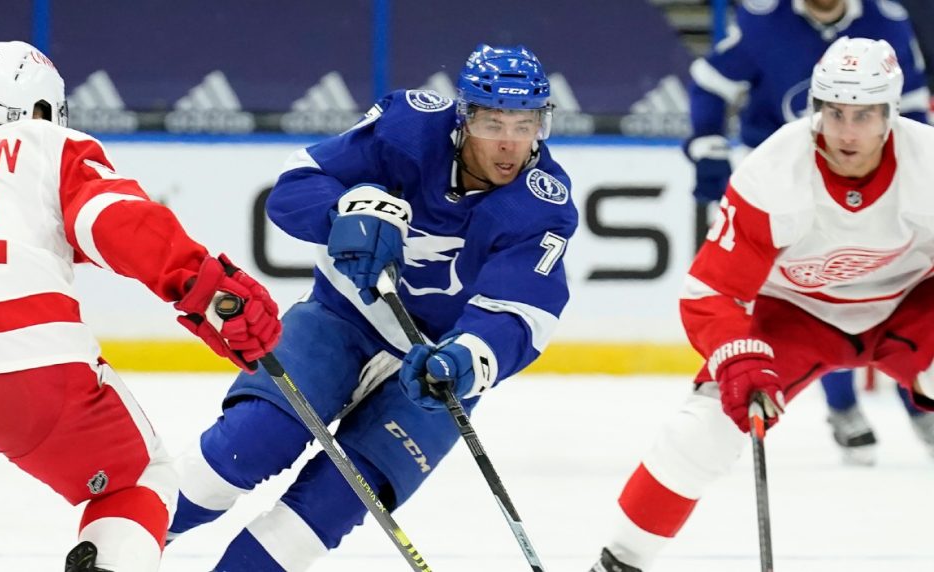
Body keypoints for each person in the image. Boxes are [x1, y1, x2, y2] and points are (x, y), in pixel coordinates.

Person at [167, 44, 576, 570]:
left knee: (327, 509)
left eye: (525, 126)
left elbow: (522, 312)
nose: (509, 145)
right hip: (341, 318)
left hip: (436, 366)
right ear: (463, 118)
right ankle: (117, 550)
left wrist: (465, 358)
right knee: (248, 445)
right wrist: (344, 211)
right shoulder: (409, 130)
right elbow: (294, 187)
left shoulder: (541, 203)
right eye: (494, 123)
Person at [0, 41, 281, 572]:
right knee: (141, 481)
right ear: (38, 106)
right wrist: (208, 291)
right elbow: (113, 223)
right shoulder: (50, 144)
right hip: (34, 361)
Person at [591, 37, 934, 572]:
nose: (846, 132)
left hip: (912, 308)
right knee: (701, 431)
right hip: (795, 317)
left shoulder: (928, 165)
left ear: (890, 112)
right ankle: (619, 563)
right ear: (815, 108)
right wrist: (737, 357)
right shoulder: (774, 169)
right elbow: (711, 289)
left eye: (864, 114)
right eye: (835, 112)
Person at [684, 0, 933, 465]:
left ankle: (914, 396)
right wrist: (708, 144)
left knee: (886, 283)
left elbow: (914, 100)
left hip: (868, 178)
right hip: (779, 191)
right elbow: (710, 81)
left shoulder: (888, 22)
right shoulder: (763, 21)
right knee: (815, 292)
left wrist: (912, 172)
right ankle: (842, 406)